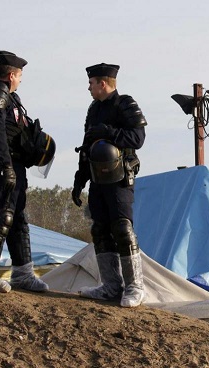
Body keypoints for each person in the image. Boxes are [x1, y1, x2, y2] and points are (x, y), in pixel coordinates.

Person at [0, 51, 56, 293]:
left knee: (18, 218)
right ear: (11, 75)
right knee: (3, 215)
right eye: (20, 76)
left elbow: (18, 130)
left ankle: (23, 273)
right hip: (1, 163)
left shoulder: (13, 98)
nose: (20, 80)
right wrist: (5, 166)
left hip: (15, 163)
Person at [72, 63, 147, 308]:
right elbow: (87, 147)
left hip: (120, 179)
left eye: (92, 83)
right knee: (100, 230)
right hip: (97, 179)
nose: (89, 88)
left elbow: (138, 138)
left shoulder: (125, 104)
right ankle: (111, 286)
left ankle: (135, 287)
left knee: (122, 229)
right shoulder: (93, 109)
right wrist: (79, 180)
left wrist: (110, 132)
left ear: (102, 83)